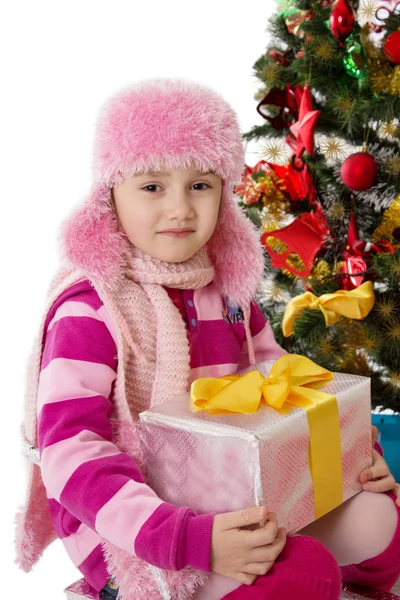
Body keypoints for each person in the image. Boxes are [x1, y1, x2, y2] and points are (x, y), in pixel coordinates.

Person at [15, 78, 400, 600]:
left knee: (383, 521)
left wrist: (355, 454)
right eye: (152, 187)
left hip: (239, 487)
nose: (180, 209)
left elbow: (283, 383)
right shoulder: (91, 310)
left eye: (201, 185)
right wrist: (186, 538)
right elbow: (69, 450)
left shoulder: (228, 292)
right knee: (306, 575)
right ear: (110, 194)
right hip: (138, 528)